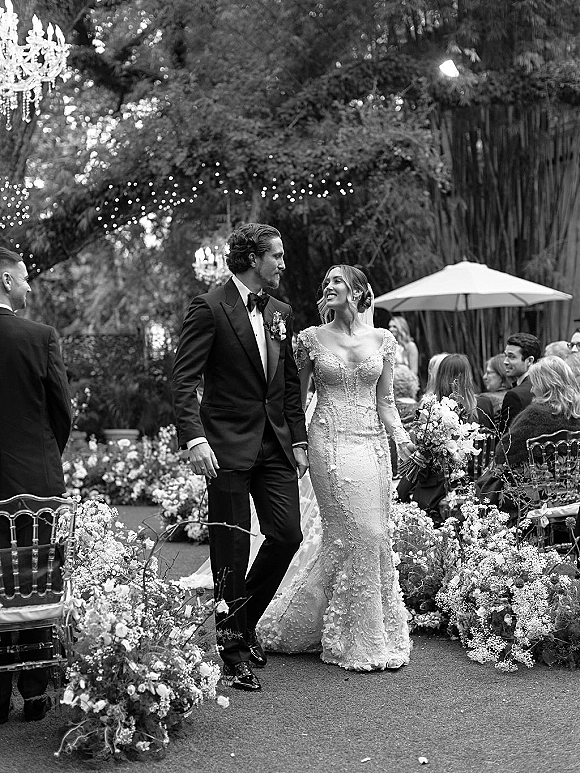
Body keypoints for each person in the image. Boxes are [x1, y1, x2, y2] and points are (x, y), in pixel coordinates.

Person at [171, 223, 307, 693]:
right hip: (224, 446)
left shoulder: (280, 312)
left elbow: (290, 384)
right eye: (278, 256)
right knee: (230, 549)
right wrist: (194, 440)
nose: (284, 264)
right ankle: (231, 650)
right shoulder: (208, 308)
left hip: (275, 446)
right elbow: (182, 381)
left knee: (287, 534)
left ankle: (242, 620)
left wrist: (300, 441)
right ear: (253, 258)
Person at [257, 265, 414, 671]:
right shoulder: (310, 339)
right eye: (324, 282)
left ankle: (345, 625)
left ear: (359, 292)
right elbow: (295, 397)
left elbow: (387, 402)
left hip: (372, 446)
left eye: (336, 281)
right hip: (328, 441)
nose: (327, 287)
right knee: (357, 532)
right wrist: (299, 446)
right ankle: (352, 639)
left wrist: (402, 439)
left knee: (372, 535)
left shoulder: (384, 340)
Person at [0, 247, 71, 723]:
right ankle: (34, 692)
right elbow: (61, 412)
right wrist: (45, 453)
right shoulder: (39, 337)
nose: (29, 286)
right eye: (25, 279)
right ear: (6, 281)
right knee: (33, 580)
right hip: (32, 479)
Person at [478, 356, 580, 520]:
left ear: (545, 385)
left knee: (489, 483)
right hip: (573, 497)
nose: (532, 390)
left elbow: (503, 452)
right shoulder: (576, 415)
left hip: (535, 499)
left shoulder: (534, 417)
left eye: (534, 384)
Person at [398, 353, 493, 523]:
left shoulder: (434, 409)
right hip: (478, 479)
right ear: (468, 376)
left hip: (445, 484)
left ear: (440, 377)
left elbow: (424, 461)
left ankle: (399, 497)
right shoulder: (485, 404)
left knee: (410, 481)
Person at [499, 332, 542, 434]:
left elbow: (506, 440)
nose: (505, 361)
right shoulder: (544, 384)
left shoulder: (515, 395)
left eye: (512, 357)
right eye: (505, 356)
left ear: (530, 360)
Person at [480, 354, 511, 424]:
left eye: (489, 373)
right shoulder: (519, 395)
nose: (484, 377)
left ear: (501, 374)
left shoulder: (486, 399)